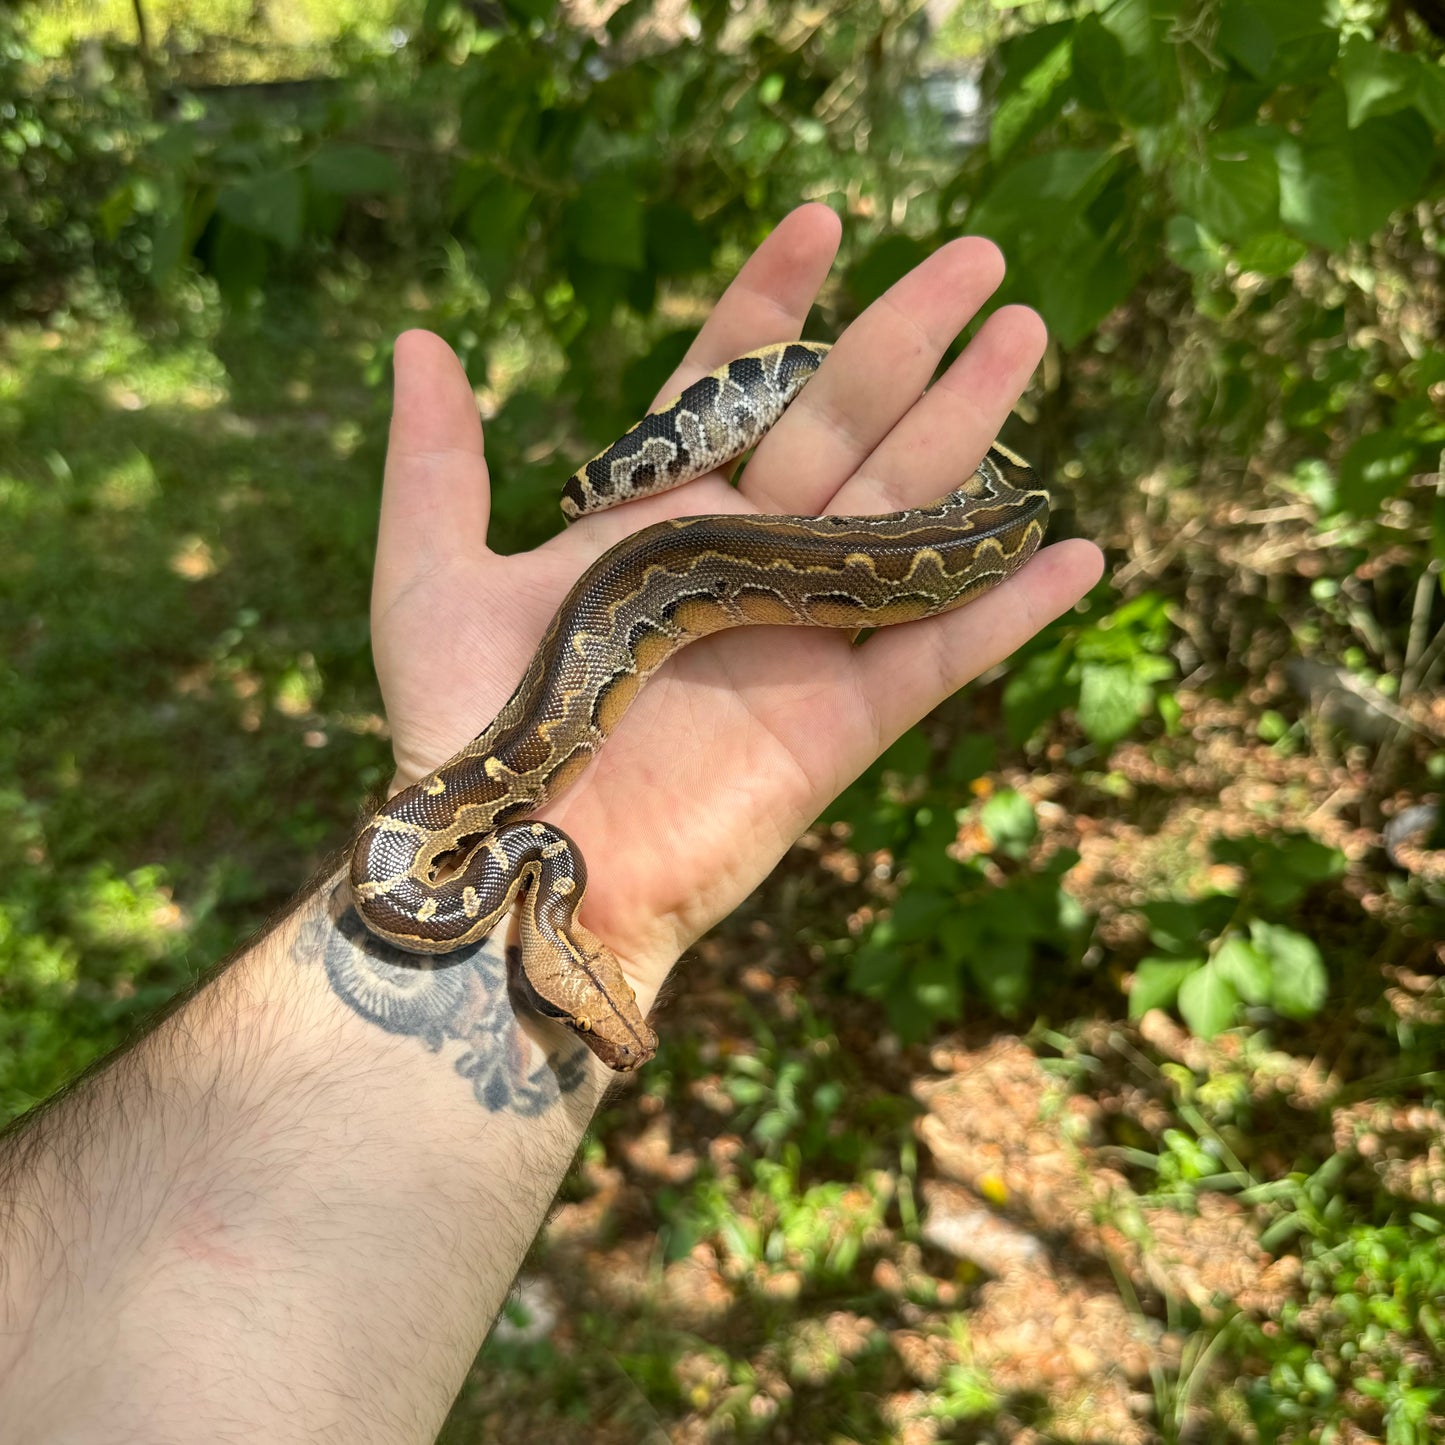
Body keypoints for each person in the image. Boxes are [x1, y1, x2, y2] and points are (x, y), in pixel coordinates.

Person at [0, 205, 1102, 1442]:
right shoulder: (512, 843)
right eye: (593, 1010)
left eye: (589, 1010)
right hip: (605, 745)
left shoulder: (507, 840)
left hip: (849, 567)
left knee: (1003, 510)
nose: (611, 1039)